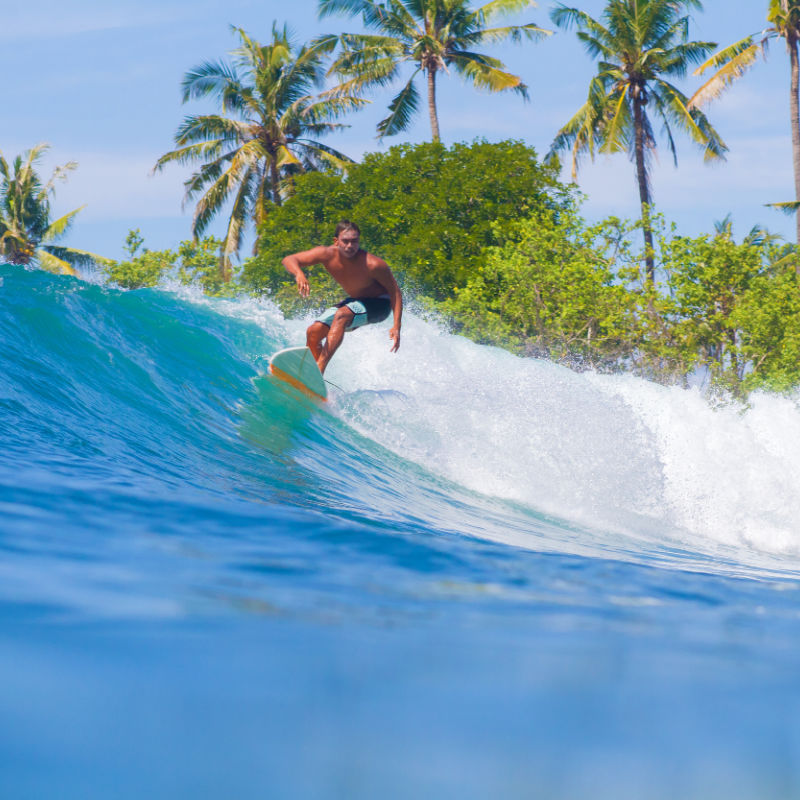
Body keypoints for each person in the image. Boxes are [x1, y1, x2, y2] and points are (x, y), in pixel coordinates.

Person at [281, 220, 403, 373]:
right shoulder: (326, 254)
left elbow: (396, 292)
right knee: (313, 332)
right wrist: (299, 273)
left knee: (341, 315)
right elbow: (289, 259)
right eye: (345, 241)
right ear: (336, 241)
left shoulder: (373, 264)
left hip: (379, 305)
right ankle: (314, 378)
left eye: (354, 241)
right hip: (355, 303)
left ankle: (320, 369)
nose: (350, 246)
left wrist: (396, 326)